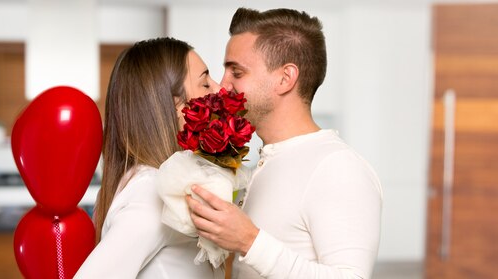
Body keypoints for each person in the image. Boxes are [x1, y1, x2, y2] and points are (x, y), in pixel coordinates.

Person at [186, 7, 383, 279]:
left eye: (237, 72)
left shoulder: (338, 168)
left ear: (285, 78)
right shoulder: (269, 161)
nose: (222, 85)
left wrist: (249, 241)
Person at [75, 37, 224, 278]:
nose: (219, 89)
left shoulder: (157, 182)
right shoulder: (151, 192)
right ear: (177, 105)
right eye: (205, 83)